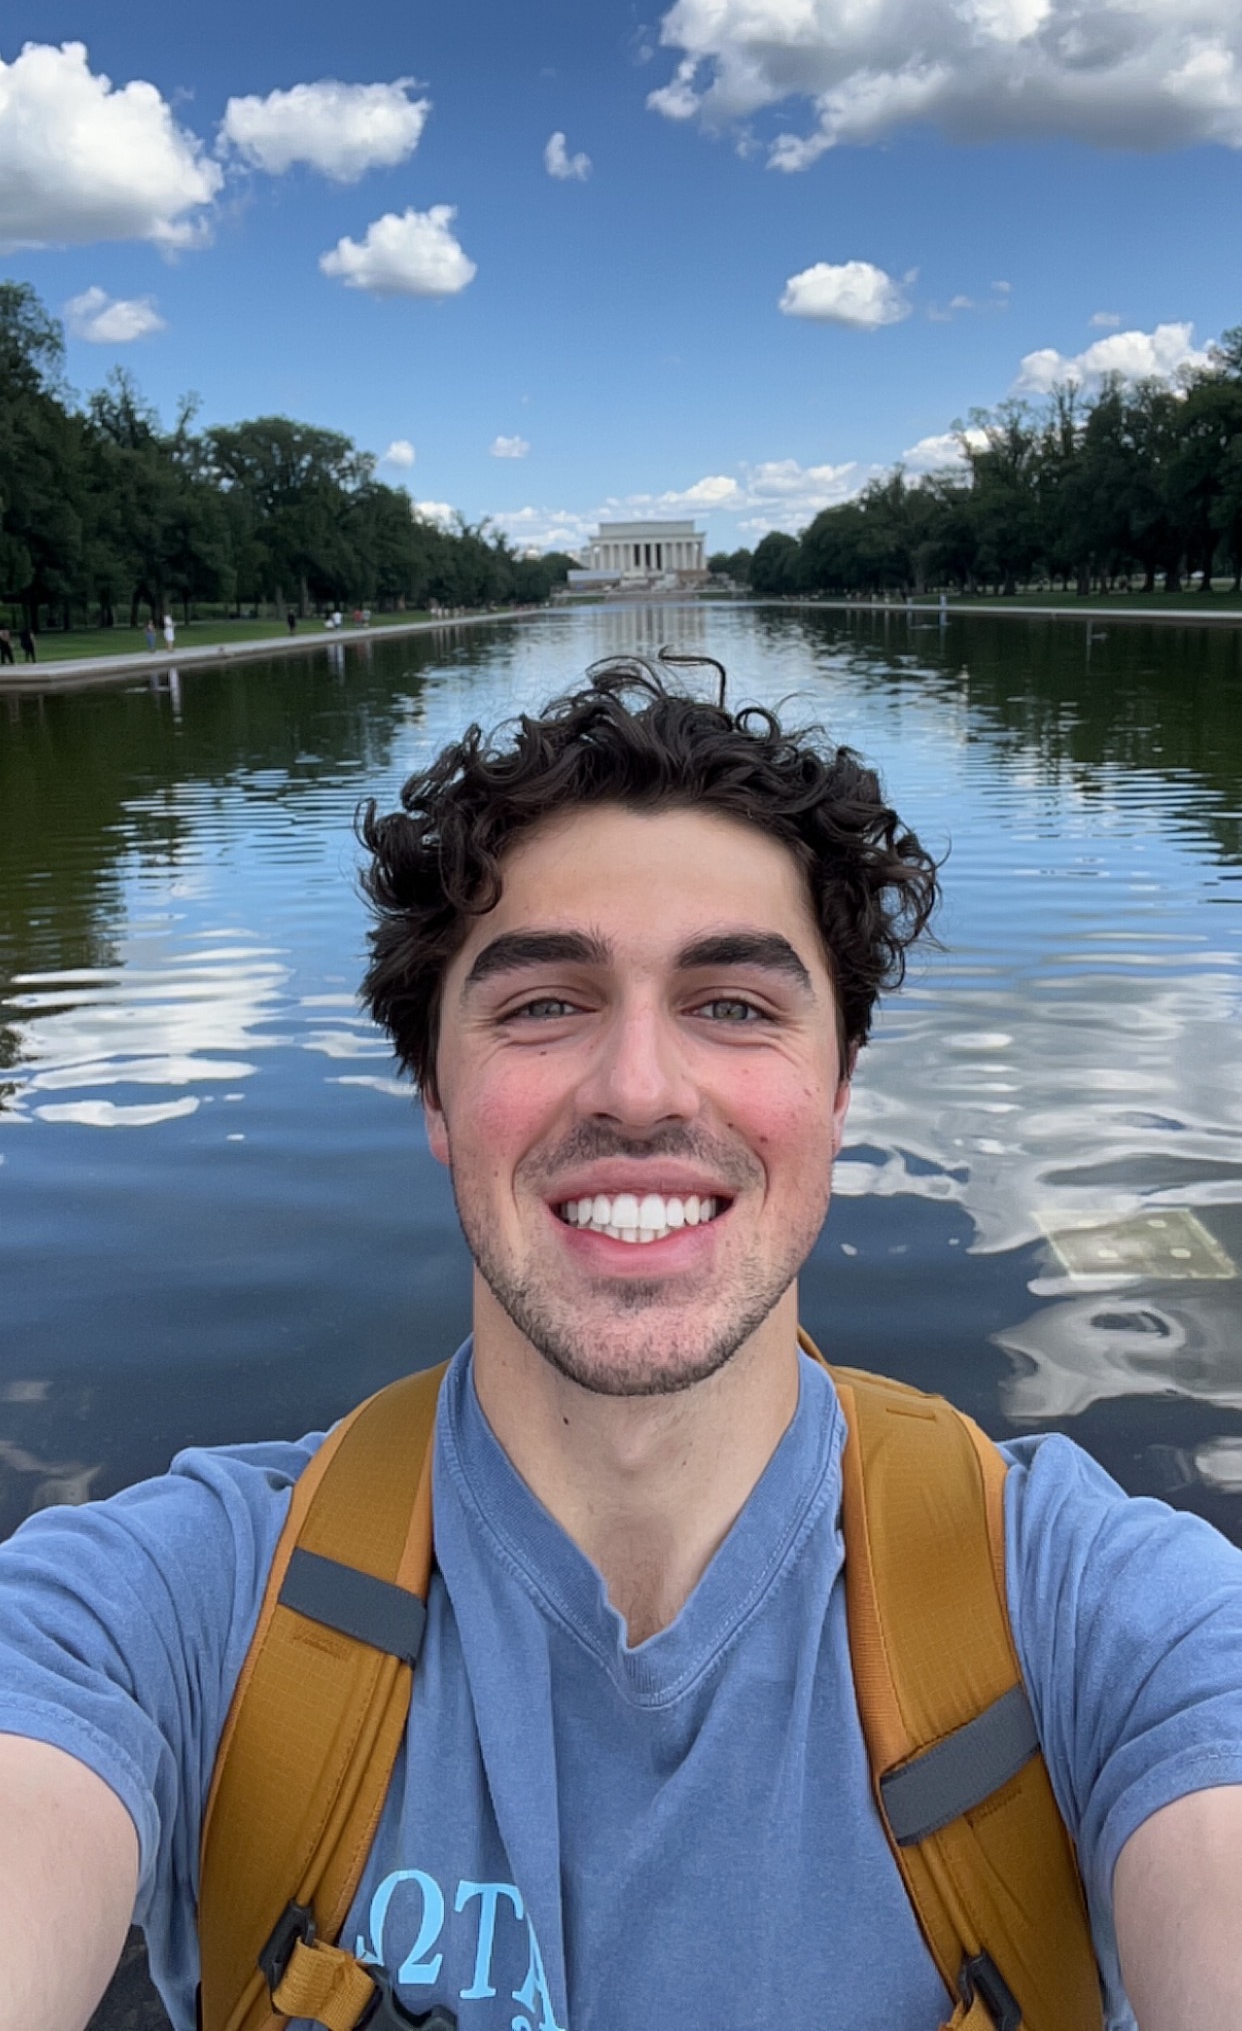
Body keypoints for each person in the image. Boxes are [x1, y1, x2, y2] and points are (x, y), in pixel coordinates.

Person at [0, 659, 1240, 2031]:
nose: (639, 1090)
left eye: (734, 1004)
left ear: (835, 1091)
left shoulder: (1103, 1624)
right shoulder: (162, 1613)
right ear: (434, 1092)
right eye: (542, 1003)